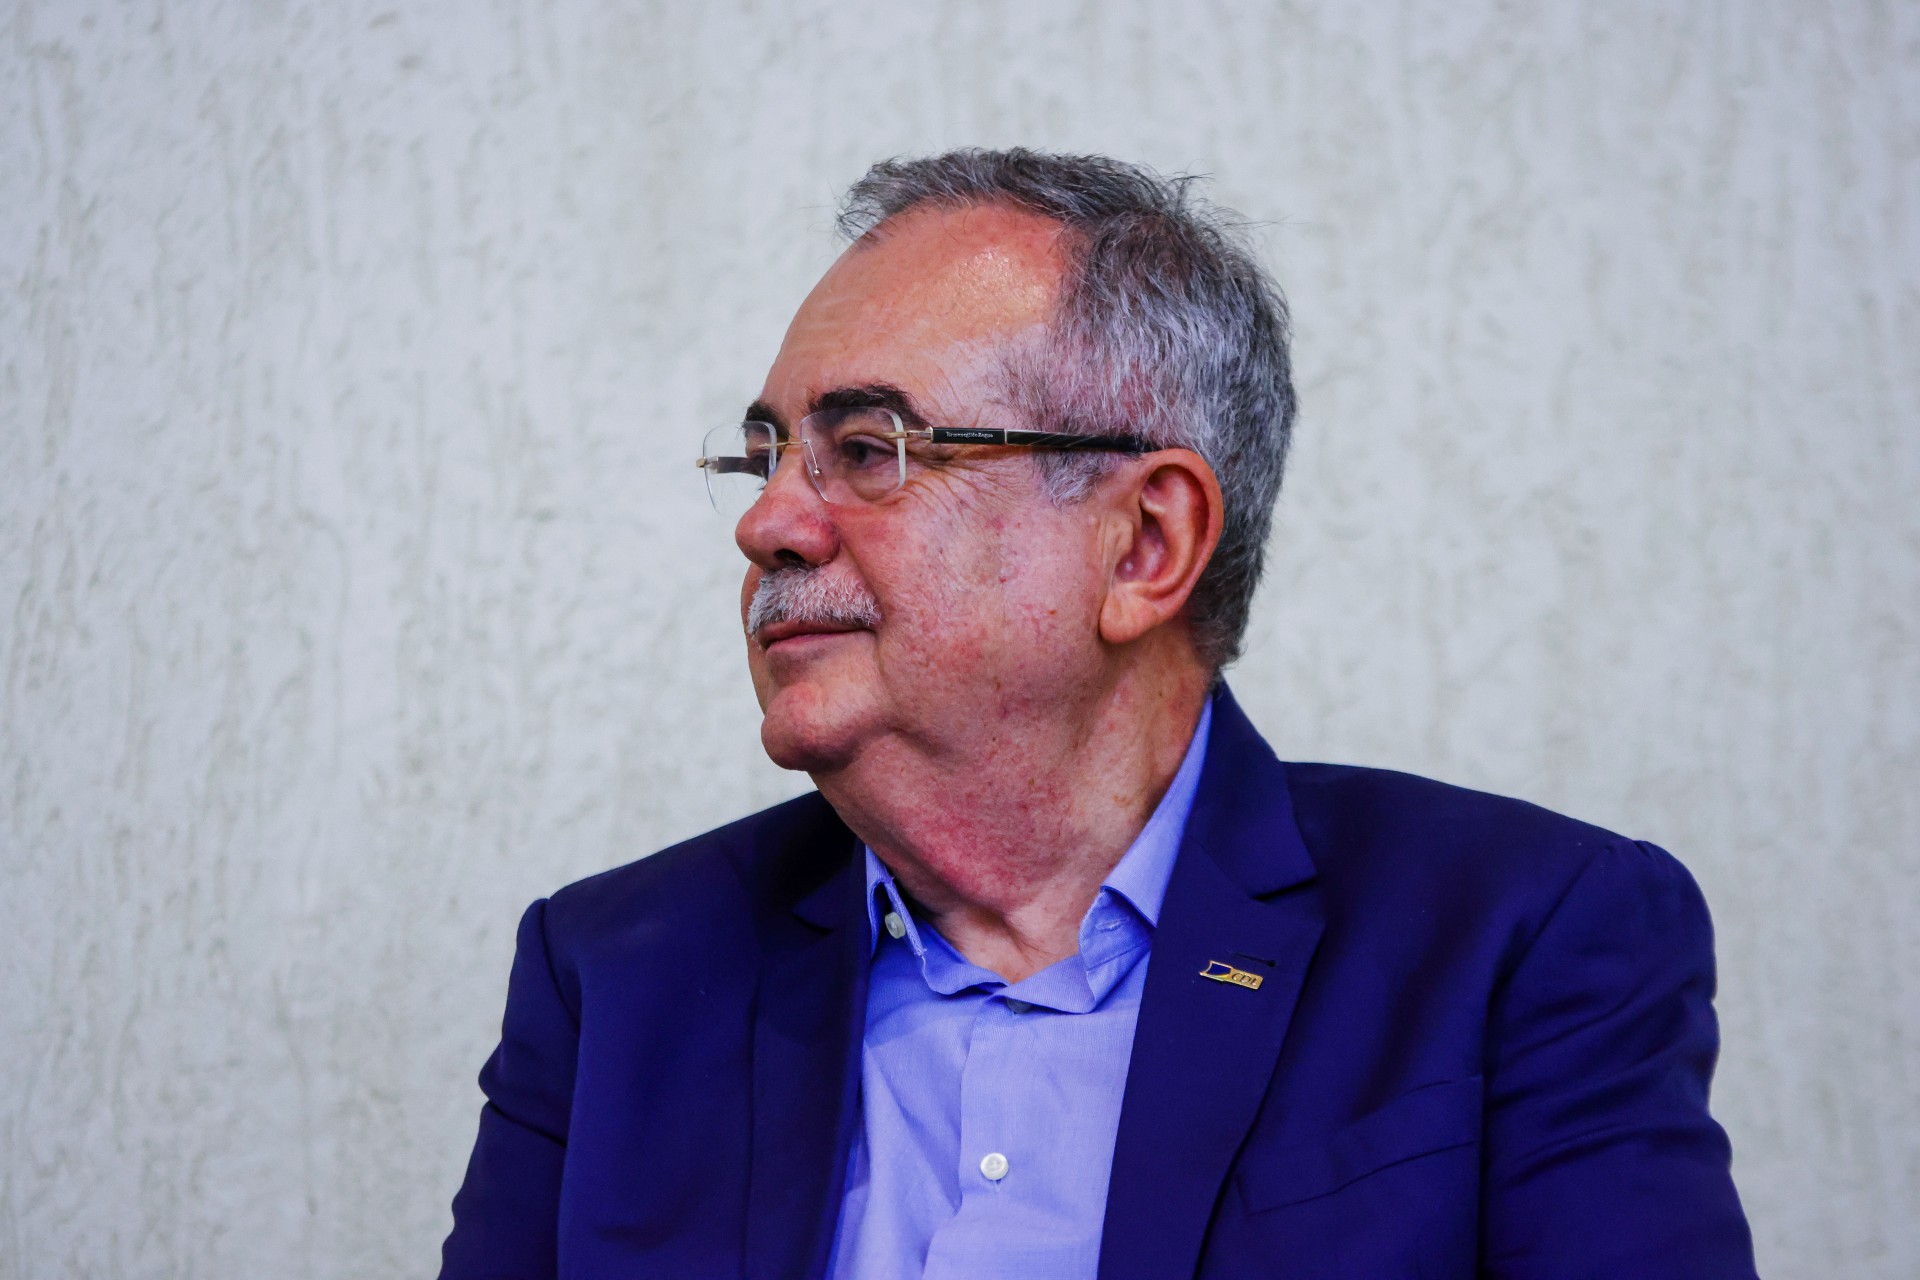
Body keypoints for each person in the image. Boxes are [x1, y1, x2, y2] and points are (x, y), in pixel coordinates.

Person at [438, 148, 1756, 1279]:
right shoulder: (619, 975)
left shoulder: (1518, 941)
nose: (769, 520)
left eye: (869, 450)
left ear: (1145, 543)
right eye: (766, 454)